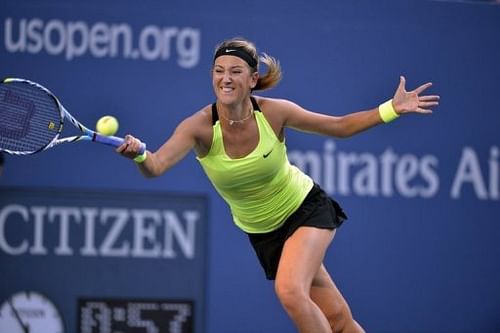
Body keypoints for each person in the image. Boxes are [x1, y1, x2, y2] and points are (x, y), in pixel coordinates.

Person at [117, 37, 439, 333]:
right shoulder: (198, 127)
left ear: (253, 79)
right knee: (338, 320)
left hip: (305, 209)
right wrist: (140, 156)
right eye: (218, 71)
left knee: (289, 291)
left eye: (235, 71)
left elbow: (339, 127)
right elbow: (156, 166)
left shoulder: (274, 113)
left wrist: (391, 109)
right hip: (264, 234)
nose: (225, 78)